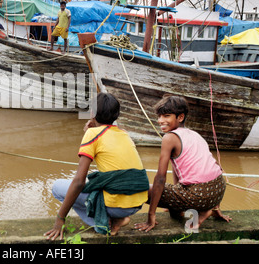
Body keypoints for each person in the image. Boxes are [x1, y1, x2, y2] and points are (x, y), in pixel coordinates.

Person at [44, 93, 149, 240]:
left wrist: (60, 218)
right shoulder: (124, 134)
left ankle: (105, 223)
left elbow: (79, 181)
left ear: (92, 113)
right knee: (100, 184)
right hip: (136, 205)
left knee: (57, 187)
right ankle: (119, 219)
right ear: (116, 115)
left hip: (117, 206)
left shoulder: (92, 134)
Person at [134, 95, 231, 233]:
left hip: (200, 195)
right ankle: (207, 209)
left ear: (180, 117)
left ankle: (204, 211)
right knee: (174, 212)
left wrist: (151, 215)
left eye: (166, 116)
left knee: (141, 189)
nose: (161, 120)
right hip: (219, 189)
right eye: (159, 116)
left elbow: (160, 178)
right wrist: (216, 204)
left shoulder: (169, 138)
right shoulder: (194, 134)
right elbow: (212, 167)